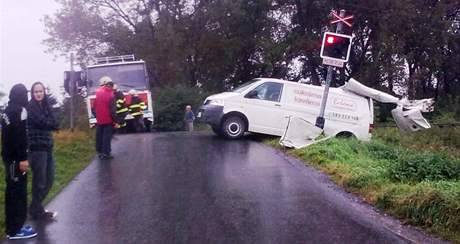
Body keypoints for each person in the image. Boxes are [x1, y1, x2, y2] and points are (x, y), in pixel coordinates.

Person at [1, 84, 38, 239]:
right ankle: (16, 230)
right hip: (17, 160)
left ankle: (13, 226)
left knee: (12, 191)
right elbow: (20, 138)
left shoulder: (6, 111)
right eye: (25, 94)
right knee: (18, 192)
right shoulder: (20, 111)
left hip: (8, 158)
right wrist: (23, 158)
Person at [27, 82, 59, 221]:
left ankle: (35, 207)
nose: (38, 94)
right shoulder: (31, 107)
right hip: (37, 149)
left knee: (50, 179)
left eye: (40, 91)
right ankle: (37, 210)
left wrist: (50, 121)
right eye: (36, 92)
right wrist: (49, 122)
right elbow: (44, 123)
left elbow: (55, 123)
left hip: (48, 146)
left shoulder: (46, 105)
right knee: (40, 181)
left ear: (44, 92)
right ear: (32, 93)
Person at [94, 76, 115, 159]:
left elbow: (94, 107)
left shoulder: (97, 93)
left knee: (99, 136)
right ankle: (106, 153)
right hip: (108, 120)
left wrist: (97, 116)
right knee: (107, 137)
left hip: (99, 120)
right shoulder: (111, 95)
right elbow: (113, 110)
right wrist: (116, 120)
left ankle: (100, 152)